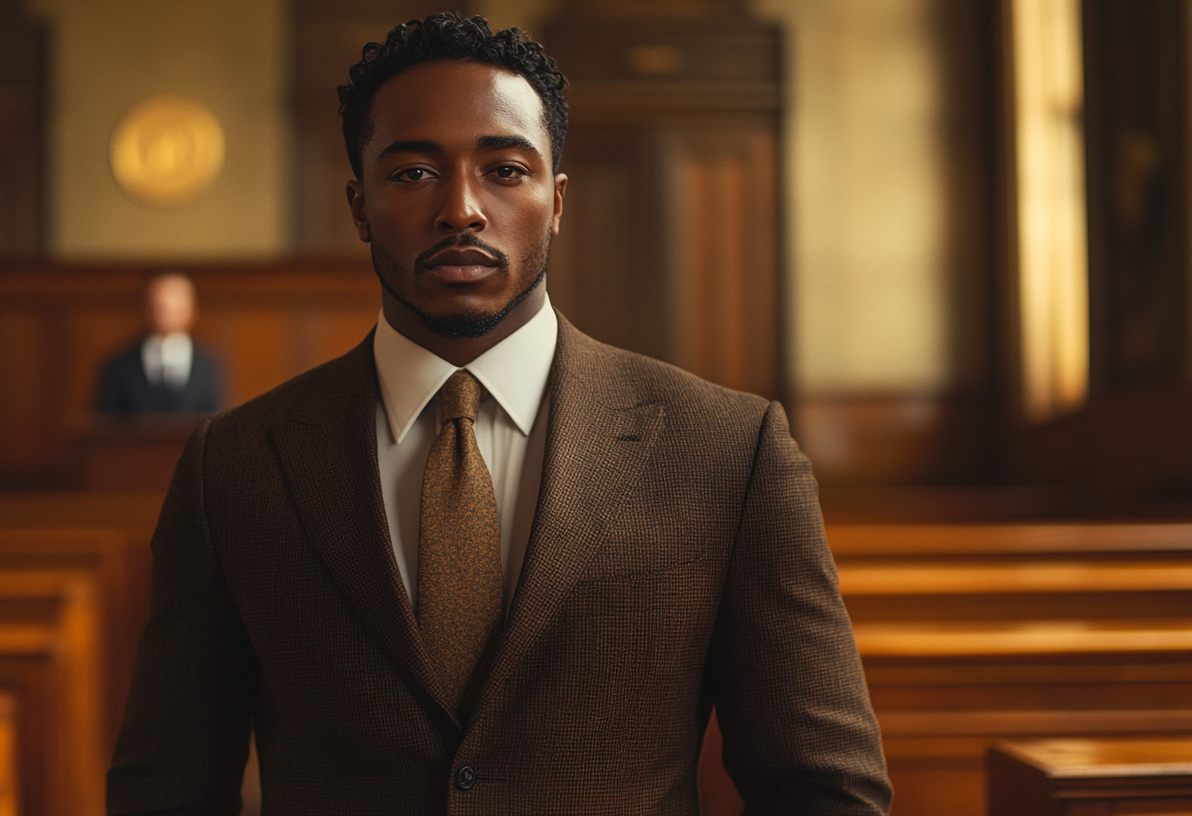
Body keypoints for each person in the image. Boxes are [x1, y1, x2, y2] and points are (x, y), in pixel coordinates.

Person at [108, 13, 891, 815]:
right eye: (413, 173)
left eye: (505, 170)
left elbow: (822, 789)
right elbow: (167, 785)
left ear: (555, 201)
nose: (462, 210)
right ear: (358, 205)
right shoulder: (235, 464)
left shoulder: (729, 451)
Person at [93, 271, 225, 415]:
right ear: (145, 307)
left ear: (192, 309)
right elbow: (104, 427)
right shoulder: (118, 366)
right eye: (158, 306)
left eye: (175, 305)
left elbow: (220, 421)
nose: (165, 314)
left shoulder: (210, 364)